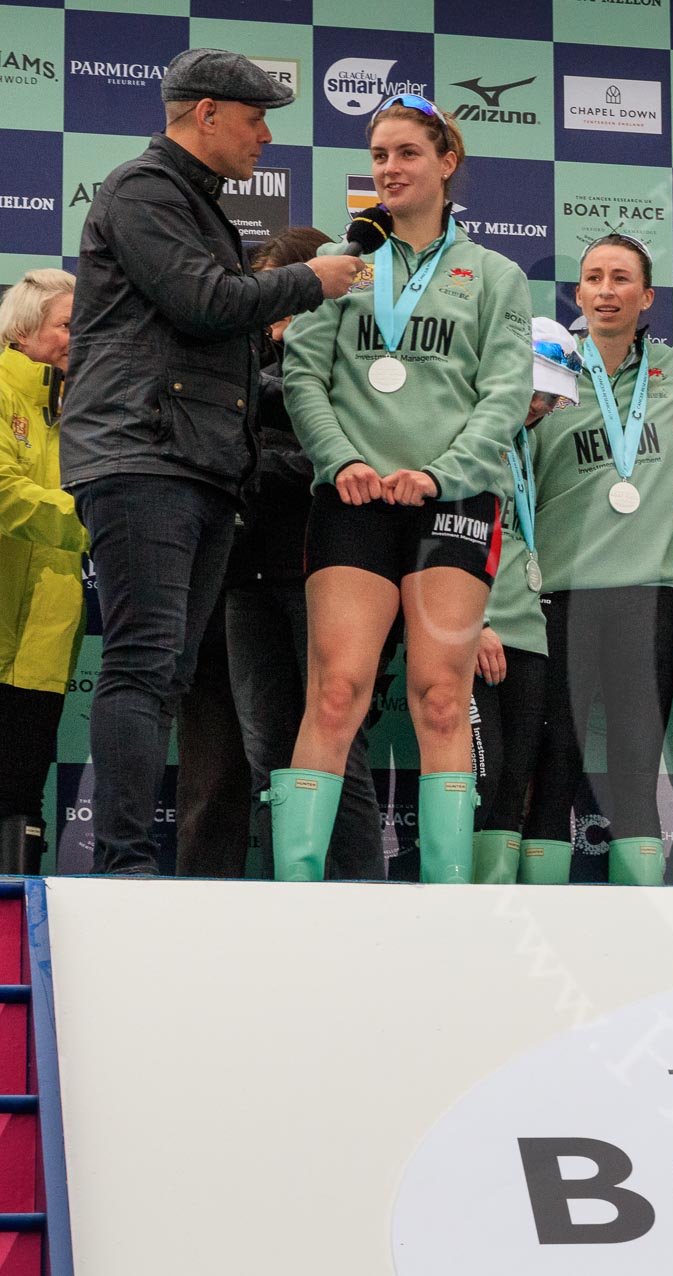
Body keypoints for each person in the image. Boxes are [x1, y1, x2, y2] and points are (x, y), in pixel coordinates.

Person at [62, 48, 361, 875]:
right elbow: (205, 302)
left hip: (188, 465)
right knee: (141, 665)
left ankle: (130, 862)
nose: (266, 134)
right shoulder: (145, 191)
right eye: (256, 116)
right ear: (206, 115)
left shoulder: (191, 203)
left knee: (165, 671)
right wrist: (311, 281)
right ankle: (122, 866)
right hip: (143, 457)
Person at [271, 94, 531, 884]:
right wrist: (339, 458)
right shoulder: (342, 268)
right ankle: (299, 895)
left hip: (450, 503)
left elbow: (506, 392)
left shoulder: (494, 274)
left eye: (407, 153)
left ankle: (447, 903)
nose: (389, 169)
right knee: (338, 690)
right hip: (350, 501)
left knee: (440, 697)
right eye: (379, 155)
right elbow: (303, 376)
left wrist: (442, 472)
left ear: (447, 163)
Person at [518, 235, 673, 886]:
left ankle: (642, 925)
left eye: (620, 278)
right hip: (560, 593)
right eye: (592, 277)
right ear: (578, 293)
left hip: (647, 593)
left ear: (646, 296)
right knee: (555, 760)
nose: (604, 289)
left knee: (635, 763)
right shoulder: (548, 370)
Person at [226, 227, 383, 881]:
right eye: (267, 297)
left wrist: (252, 459)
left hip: (331, 571)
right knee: (268, 756)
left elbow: (354, 461)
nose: (275, 310)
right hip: (246, 578)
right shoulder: (238, 362)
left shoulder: (358, 362)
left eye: (286, 294)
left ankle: (361, 907)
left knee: (338, 750)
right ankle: (284, 904)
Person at [468, 318, 581, 883]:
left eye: (549, 397)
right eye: (530, 389)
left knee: (513, 785)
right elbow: (431, 535)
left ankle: (497, 922)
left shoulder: (527, 441)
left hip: (528, 630)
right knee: (476, 781)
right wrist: (471, 623)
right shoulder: (465, 429)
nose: (536, 405)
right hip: (469, 628)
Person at [0, 270, 85, 876]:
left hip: (46, 640)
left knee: (23, 790)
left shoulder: (81, 404)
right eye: (65, 325)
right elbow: (5, 494)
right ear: (24, 330)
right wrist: (96, 517)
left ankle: (14, 944)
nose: (77, 337)